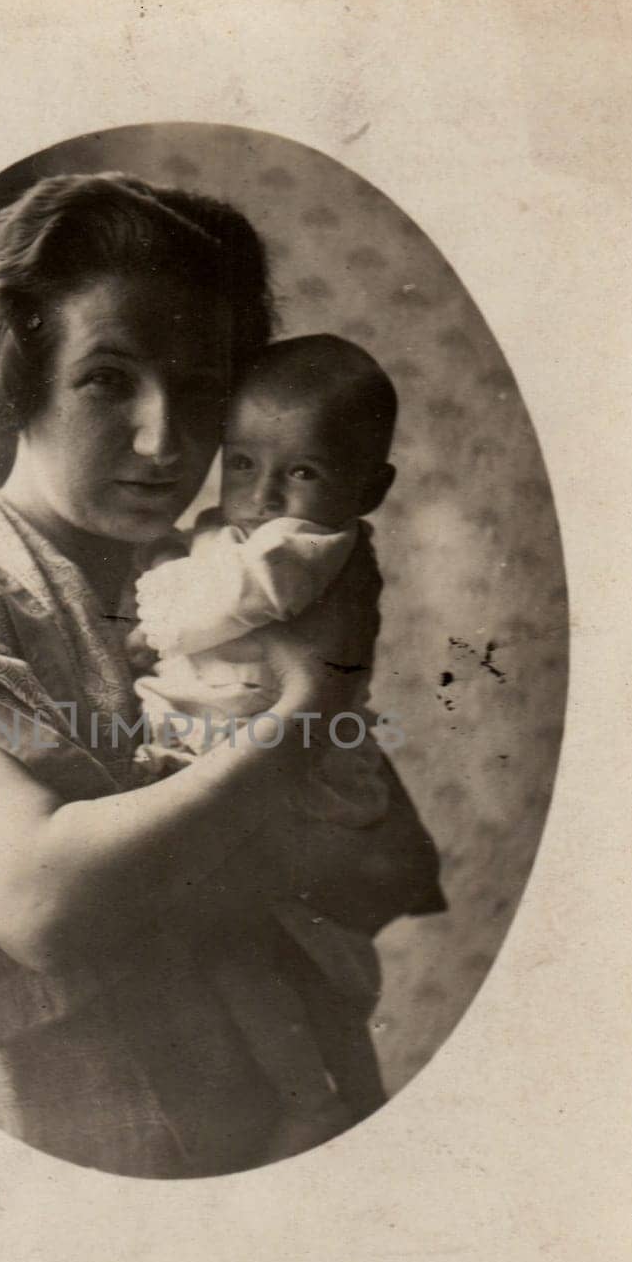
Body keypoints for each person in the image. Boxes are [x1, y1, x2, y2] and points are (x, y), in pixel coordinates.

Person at [0, 171, 443, 1179]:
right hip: (53, 1147)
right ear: (21, 372)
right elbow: (47, 908)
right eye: (108, 378)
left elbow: (382, 869)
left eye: (201, 388)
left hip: (247, 1137)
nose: (166, 441)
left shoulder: (203, 574)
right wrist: (306, 710)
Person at [126, 334, 442, 1150]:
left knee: (227, 945)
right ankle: (344, 1094)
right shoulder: (239, 532)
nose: (263, 495)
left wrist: (143, 615)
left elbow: (221, 601)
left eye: (301, 472)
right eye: (242, 463)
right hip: (252, 749)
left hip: (296, 778)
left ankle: (312, 1101)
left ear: (369, 488)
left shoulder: (304, 550)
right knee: (265, 953)